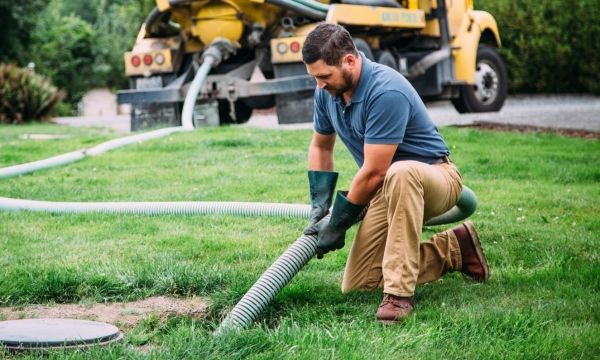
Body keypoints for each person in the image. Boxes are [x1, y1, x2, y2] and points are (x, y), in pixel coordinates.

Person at [301, 23, 490, 323]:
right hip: (386, 189)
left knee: (400, 172)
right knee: (359, 284)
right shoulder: (326, 91)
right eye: (315, 77)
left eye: (325, 76)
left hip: (433, 177)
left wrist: (339, 222)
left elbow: (376, 170)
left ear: (350, 61)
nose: (320, 84)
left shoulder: (385, 90)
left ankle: (399, 296)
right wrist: (320, 204)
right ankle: (454, 249)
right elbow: (321, 147)